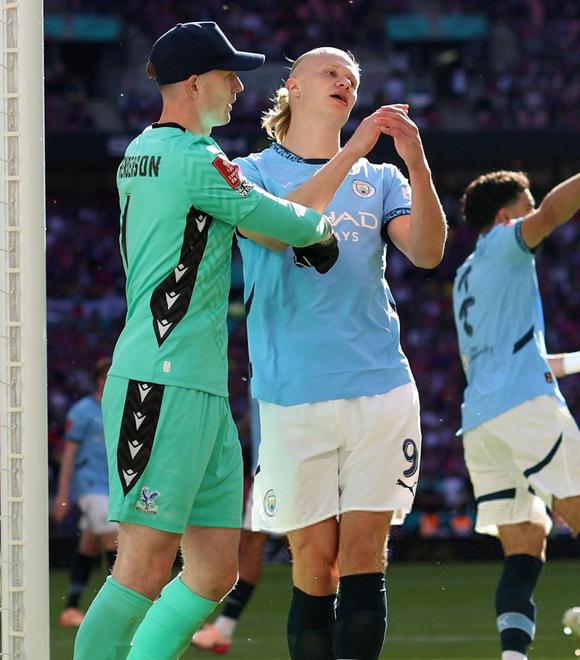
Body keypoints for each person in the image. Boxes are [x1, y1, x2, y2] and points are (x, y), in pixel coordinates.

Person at [73, 22, 342, 660]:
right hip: (161, 382)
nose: (239, 86)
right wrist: (322, 231)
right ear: (195, 84)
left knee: (216, 569)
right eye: (229, 75)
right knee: (142, 567)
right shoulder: (195, 157)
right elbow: (272, 218)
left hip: (196, 385)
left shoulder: (144, 150)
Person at [235, 47, 447, 660]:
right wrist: (352, 151)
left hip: (380, 384)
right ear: (293, 87)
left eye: (352, 78)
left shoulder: (382, 180)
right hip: (290, 391)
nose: (345, 82)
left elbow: (427, 252)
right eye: (330, 72)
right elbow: (274, 230)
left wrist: (417, 165)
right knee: (314, 562)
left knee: (362, 556)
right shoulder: (247, 170)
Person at [452, 170, 580, 660]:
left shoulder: (466, 275)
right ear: (506, 217)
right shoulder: (508, 243)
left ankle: (512, 657)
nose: (534, 215)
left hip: (481, 424)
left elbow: (518, 358)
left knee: (525, 542)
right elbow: (553, 213)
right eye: (526, 206)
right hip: (524, 408)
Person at [191, 398, 269, 654]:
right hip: (267, 465)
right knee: (251, 542)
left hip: (292, 459)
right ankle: (224, 628)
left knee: (312, 546)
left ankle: (338, 620)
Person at [53, 357, 117, 627]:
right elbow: (68, 455)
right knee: (114, 541)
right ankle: (120, 609)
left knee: (89, 544)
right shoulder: (82, 411)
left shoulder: (121, 407)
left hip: (114, 486)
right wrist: (63, 494)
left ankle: (71, 608)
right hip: (91, 486)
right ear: (100, 380)